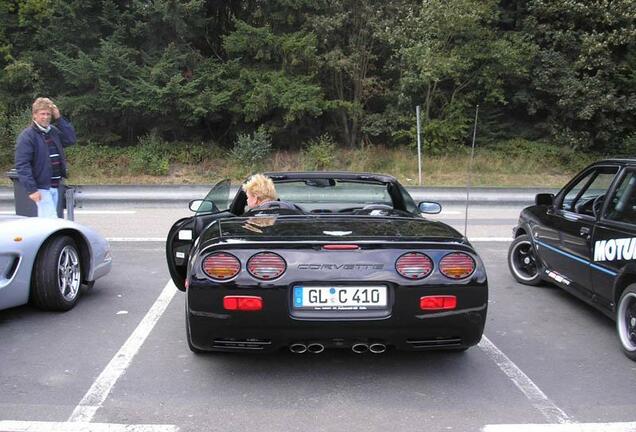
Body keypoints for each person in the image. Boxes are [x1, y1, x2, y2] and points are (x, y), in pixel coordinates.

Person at [15, 97, 76, 218]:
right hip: (41, 187)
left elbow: (70, 139)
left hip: (55, 186)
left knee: (50, 223)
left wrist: (59, 118)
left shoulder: (52, 132)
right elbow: (22, 165)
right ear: (34, 115)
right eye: (42, 114)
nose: (46, 117)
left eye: (48, 114)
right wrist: (32, 190)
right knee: (50, 222)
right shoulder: (27, 136)